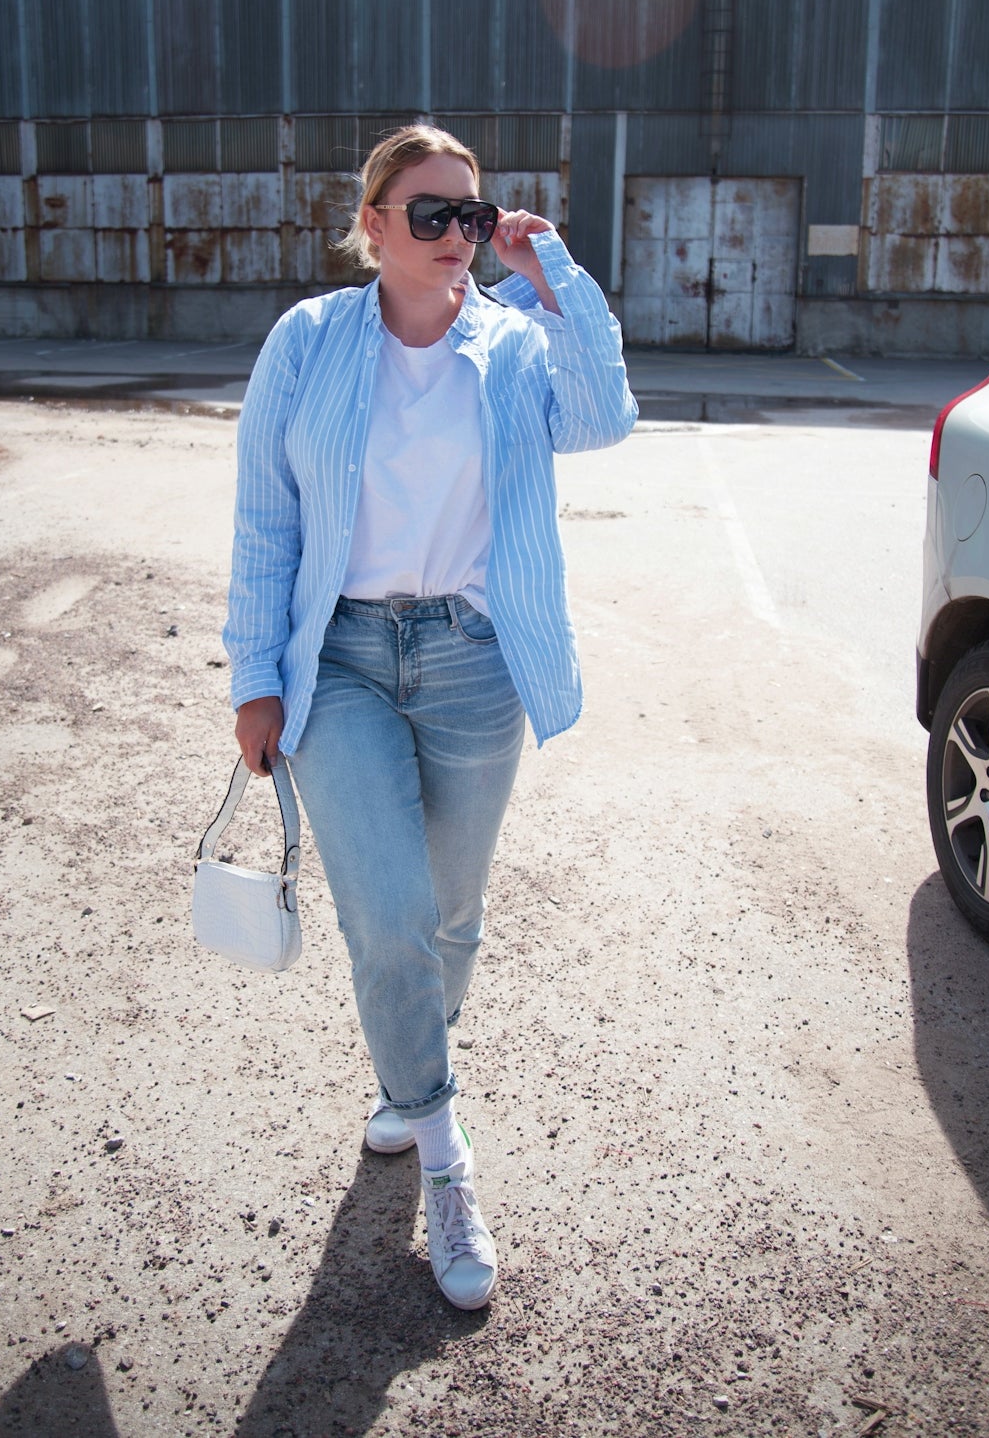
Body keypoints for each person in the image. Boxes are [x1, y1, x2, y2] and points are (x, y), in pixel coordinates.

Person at [224, 123, 637, 1310]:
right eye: (431, 215)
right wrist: (257, 675)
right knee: (393, 908)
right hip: (341, 656)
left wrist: (551, 267)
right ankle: (447, 1153)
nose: (458, 235)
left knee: (450, 915)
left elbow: (606, 413)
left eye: (472, 214)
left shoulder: (514, 345)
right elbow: (266, 515)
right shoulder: (307, 341)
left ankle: (414, 1073)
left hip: (471, 661)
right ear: (372, 226)